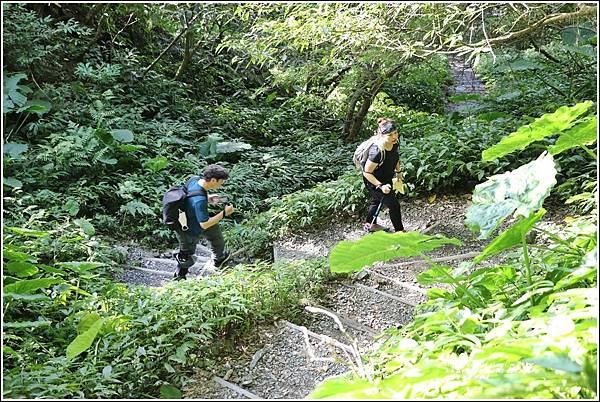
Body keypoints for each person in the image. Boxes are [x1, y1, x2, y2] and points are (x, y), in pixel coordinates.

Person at [173, 164, 234, 280]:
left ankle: (218, 259)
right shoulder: (199, 201)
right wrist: (225, 213)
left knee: (216, 236)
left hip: (195, 217)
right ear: (213, 180)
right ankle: (179, 278)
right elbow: (204, 224)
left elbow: (190, 195)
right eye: (221, 181)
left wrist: (209, 198)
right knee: (186, 256)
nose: (222, 184)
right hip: (187, 227)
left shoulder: (194, 179)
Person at [361, 117, 405, 233]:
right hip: (373, 181)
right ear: (382, 136)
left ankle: (369, 224)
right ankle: (400, 232)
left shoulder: (394, 143)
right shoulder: (377, 152)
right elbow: (367, 172)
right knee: (394, 205)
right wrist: (380, 186)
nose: (394, 137)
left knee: (376, 201)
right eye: (390, 135)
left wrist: (398, 172)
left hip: (386, 177)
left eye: (395, 133)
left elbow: (395, 158)